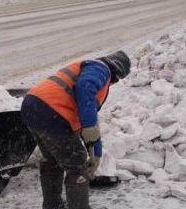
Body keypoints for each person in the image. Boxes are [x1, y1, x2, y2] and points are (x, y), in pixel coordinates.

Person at [21, 51, 131, 209]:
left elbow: (81, 118)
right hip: (52, 113)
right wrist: (90, 131)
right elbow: (85, 89)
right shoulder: (101, 69)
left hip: (33, 106)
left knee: (53, 160)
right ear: (118, 73)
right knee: (77, 162)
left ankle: (53, 205)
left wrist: (95, 150)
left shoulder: (86, 66)